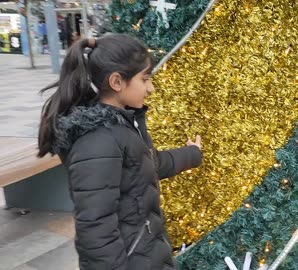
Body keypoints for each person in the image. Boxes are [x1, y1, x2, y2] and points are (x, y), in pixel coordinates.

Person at [37, 33, 203, 270]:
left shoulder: (122, 125)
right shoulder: (97, 141)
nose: (151, 88)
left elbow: (150, 163)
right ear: (116, 82)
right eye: (145, 79)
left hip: (146, 253)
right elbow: (96, 232)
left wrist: (191, 154)